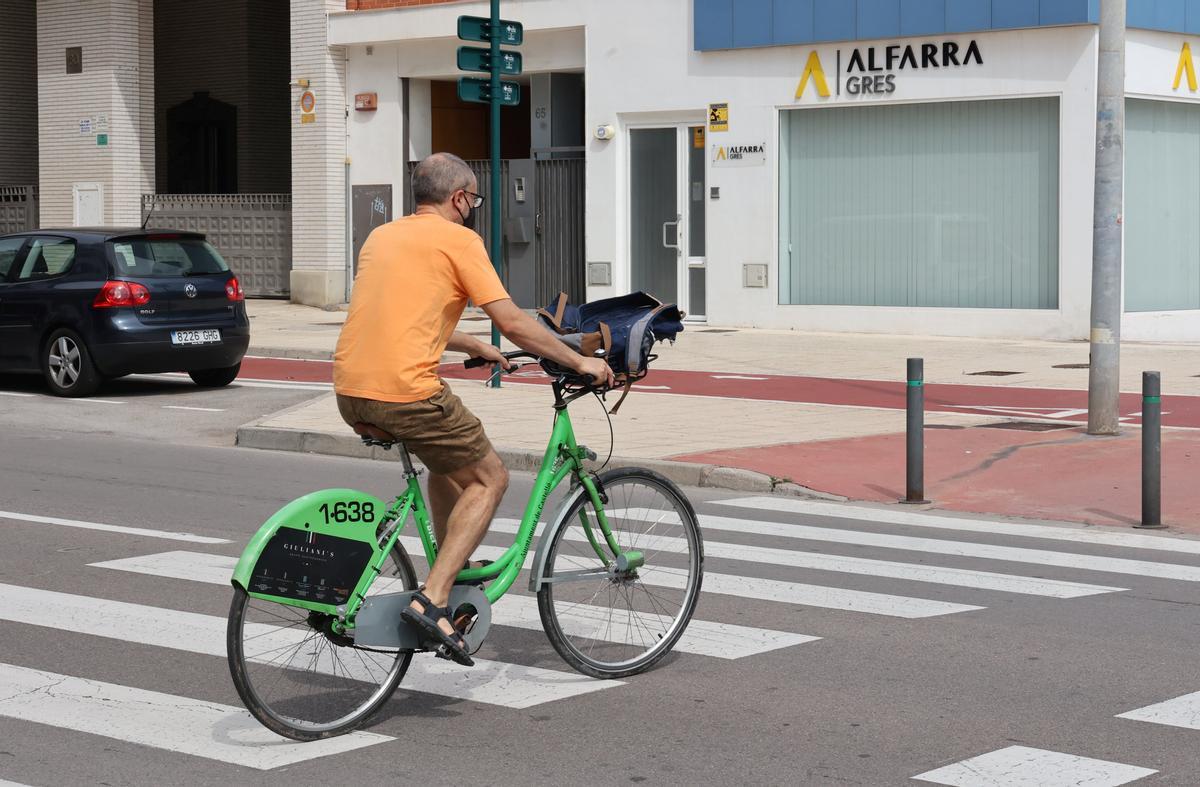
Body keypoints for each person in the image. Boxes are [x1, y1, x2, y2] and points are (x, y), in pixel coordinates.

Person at [333, 152, 614, 667]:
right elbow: (511, 321)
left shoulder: (382, 236)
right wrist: (581, 361)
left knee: (446, 462)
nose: (473, 209)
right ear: (460, 198)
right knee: (491, 478)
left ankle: (450, 565)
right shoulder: (461, 240)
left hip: (351, 388)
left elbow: (400, 316)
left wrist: (469, 345)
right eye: (473, 200)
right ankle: (435, 598)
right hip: (406, 391)